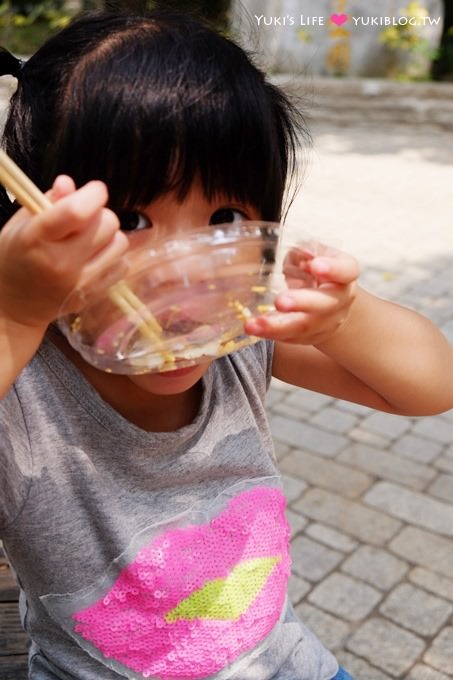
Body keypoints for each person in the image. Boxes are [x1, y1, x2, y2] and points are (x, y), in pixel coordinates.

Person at [0, 9, 452, 680]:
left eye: (224, 219)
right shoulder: (23, 390)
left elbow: (430, 385)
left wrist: (340, 320)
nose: (184, 276)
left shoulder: (237, 339)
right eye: (129, 218)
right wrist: (13, 314)